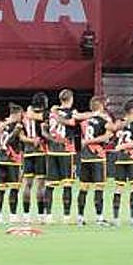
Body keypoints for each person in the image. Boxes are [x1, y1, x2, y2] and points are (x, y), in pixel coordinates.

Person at [44, 89, 82, 222]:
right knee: (67, 184)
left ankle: (47, 216)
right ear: (70, 99)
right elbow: (73, 122)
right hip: (66, 150)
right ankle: (66, 216)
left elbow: (45, 128)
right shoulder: (70, 112)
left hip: (52, 150)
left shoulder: (52, 112)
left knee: (50, 184)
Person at [77, 97, 113, 225]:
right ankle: (99, 218)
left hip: (85, 156)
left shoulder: (84, 120)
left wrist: (86, 142)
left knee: (83, 188)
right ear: (101, 106)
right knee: (99, 188)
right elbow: (107, 136)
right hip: (98, 156)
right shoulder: (104, 120)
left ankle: (80, 218)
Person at [111, 100, 133, 225]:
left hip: (120, 158)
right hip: (132, 158)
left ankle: (115, 218)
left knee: (119, 187)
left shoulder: (119, 123)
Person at [0, 104, 26, 224]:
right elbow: (11, 140)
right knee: (14, 189)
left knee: (1, 189)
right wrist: (16, 131)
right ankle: (13, 216)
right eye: (21, 115)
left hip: (1, 159)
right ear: (18, 114)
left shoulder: (1, 123)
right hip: (13, 160)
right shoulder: (17, 125)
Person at [20, 94, 48, 221]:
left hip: (27, 152)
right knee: (41, 185)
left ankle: (26, 215)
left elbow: (21, 136)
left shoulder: (26, 115)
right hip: (40, 152)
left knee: (27, 185)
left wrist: (30, 141)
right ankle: (41, 215)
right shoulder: (43, 115)